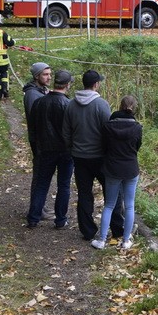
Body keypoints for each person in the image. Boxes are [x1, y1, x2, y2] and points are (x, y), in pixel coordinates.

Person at [62, 70, 124, 241]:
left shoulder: (71, 105)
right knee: (112, 193)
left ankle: (87, 231)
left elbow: (66, 132)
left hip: (79, 157)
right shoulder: (101, 105)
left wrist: (71, 148)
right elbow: (109, 131)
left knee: (84, 194)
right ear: (96, 84)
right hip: (100, 157)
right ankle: (117, 229)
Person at [91, 95, 143, 251]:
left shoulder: (108, 126)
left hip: (112, 168)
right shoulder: (137, 127)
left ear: (120, 107)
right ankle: (126, 241)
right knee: (129, 205)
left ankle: (101, 240)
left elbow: (104, 147)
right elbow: (137, 147)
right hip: (131, 169)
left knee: (109, 205)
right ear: (134, 108)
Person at [27, 70, 74, 229]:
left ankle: (33, 217)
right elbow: (72, 130)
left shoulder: (40, 102)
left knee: (42, 184)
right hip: (65, 151)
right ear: (68, 85)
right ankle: (60, 220)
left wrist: (36, 147)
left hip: (45, 149)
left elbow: (33, 128)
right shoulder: (68, 105)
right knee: (64, 185)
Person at [23, 63, 52, 135]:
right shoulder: (32, 95)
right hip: (40, 137)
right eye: (45, 74)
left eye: (50, 74)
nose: (49, 77)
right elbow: (37, 119)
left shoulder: (43, 90)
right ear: (36, 76)